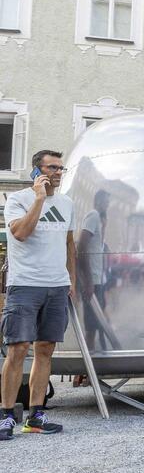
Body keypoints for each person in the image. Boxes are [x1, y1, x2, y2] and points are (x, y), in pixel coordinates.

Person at [1, 150, 76, 440]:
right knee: (17, 349)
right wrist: (39, 199)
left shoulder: (67, 203)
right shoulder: (18, 199)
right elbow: (20, 233)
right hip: (25, 285)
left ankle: (36, 414)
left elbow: (70, 243)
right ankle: (6, 415)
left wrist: (71, 278)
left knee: (45, 350)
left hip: (56, 286)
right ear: (37, 171)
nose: (58, 172)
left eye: (60, 168)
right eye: (52, 168)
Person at [77, 190, 110, 348]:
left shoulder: (99, 220)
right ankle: (85, 367)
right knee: (91, 325)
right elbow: (81, 246)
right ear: (98, 201)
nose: (107, 206)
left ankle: (93, 361)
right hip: (92, 281)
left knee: (97, 323)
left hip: (98, 280)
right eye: (105, 202)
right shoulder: (93, 215)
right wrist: (88, 281)